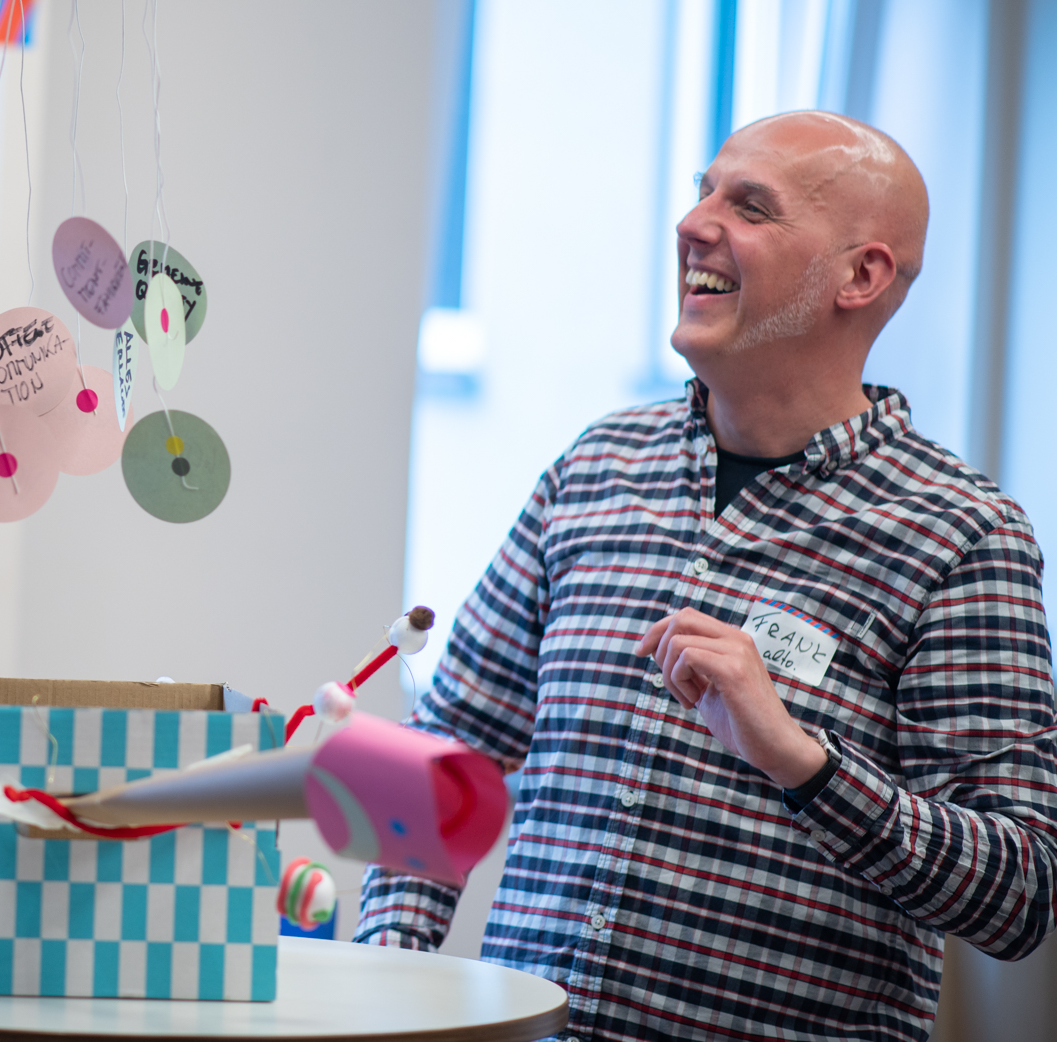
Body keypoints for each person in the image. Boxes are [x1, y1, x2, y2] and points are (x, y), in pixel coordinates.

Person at [354, 112, 1057, 1041]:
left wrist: (799, 760)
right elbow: (442, 754)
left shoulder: (960, 533)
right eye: (702, 190)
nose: (693, 223)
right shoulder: (594, 470)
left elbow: (1017, 895)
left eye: (750, 205)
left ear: (862, 275)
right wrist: (392, 971)